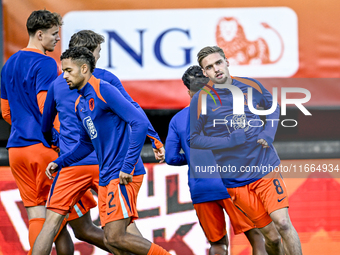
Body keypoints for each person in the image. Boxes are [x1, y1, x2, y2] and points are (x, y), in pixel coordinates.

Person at [33, 30, 164, 254]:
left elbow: (137, 120)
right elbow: (86, 144)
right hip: (102, 169)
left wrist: (130, 162)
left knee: (60, 224)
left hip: (119, 170)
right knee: (111, 237)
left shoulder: (104, 87)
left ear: (82, 66)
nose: (63, 76)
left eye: (67, 71)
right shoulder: (81, 104)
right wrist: (61, 161)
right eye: (63, 70)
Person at [189, 46, 302, 255]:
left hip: (265, 166)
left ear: (226, 62)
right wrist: (229, 140)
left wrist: (268, 133)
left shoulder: (250, 85)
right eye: (210, 67)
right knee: (272, 238)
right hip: (235, 179)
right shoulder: (201, 99)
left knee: (283, 223)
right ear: (205, 73)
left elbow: (273, 105)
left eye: (218, 63)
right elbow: (194, 139)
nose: (216, 69)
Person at [165, 65, 267, 255]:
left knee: (218, 245)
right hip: (232, 183)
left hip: (201, 188)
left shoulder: (178, 119)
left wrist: (192, 157)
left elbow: (170, 158)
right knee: (257, 237)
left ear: (189, 91)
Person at [0, 10, 76, 254]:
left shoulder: (8, 63)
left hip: (16, 150)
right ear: (40, 33)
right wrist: (59, 141)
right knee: (57, 218)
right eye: (54, 34)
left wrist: (24, 125)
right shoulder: (45, 62)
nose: (57, 39)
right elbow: (47, 107)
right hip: (43, 149)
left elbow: (5, 111)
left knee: (36, 215)